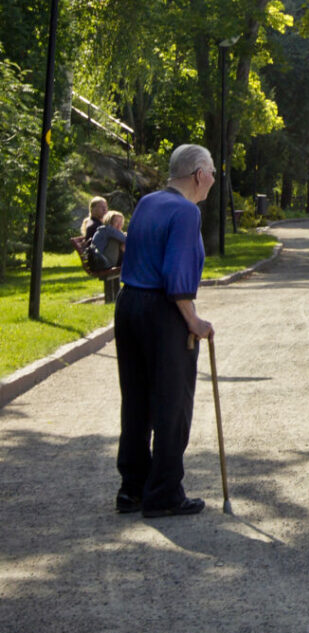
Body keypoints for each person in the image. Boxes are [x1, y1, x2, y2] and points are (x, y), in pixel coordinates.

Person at [114, 144, 215, 518]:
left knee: (137, 399)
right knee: (172, 404)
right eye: (213, 173)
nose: (214, 180)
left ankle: (132, 488)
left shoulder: (148, 202)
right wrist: (194, 321)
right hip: (162, 310)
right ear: (199, 174)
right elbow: (177, 275)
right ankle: (164, 493)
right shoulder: (187, 212)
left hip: (129, 306)